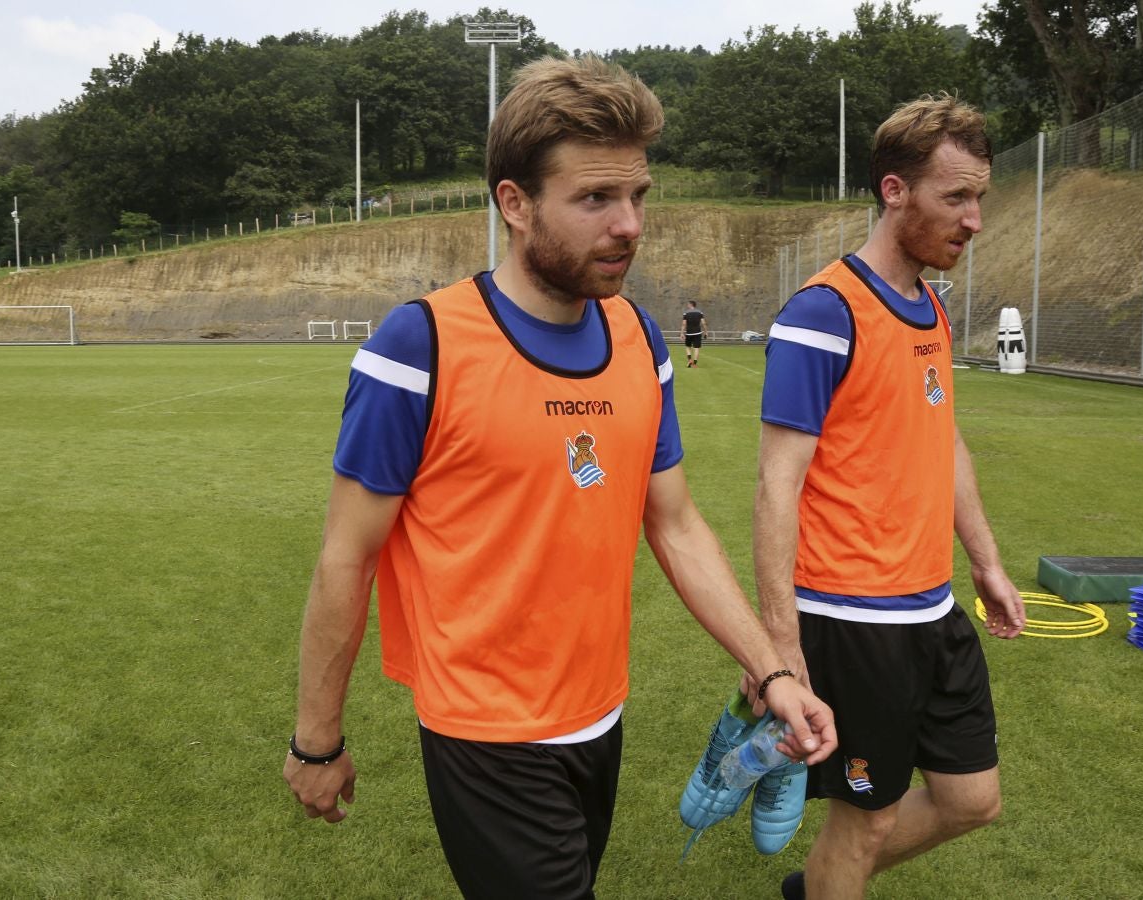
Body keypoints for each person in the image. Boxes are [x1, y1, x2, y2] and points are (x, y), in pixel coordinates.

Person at [283, 56, 837, 900]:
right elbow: (345, 557)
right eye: (595, 199)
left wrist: (773, 672)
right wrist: (316, 740)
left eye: (638, 196)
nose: (629, 225)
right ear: (515, 202)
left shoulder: (638, 338)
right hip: (485, 732)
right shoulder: (419, 347)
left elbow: (675, 522)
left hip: (600, 714)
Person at [752, 93, 1026, 900]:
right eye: (956, 196)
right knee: (864, 822)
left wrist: (986, 563)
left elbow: (945, 441)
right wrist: (780, 651)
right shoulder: (824, 313)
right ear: (895, 190)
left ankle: (814, 888)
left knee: (972, 801)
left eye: (979, 197)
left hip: (932, 608)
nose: (974, 219)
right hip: (852, 619)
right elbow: (775, 486)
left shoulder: (930, 307)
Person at [681, 300, 707, 367]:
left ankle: (690, 360)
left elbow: (684, 324)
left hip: (689, 333)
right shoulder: (700, 312)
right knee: (696, 348)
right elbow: (703, 323)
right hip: (698, 333)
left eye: (688, 304)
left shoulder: (686, 313)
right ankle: (694, 363)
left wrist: (682, 333)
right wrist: (706, 332)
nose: (687, 305)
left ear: (691, 304)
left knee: (688, 347)